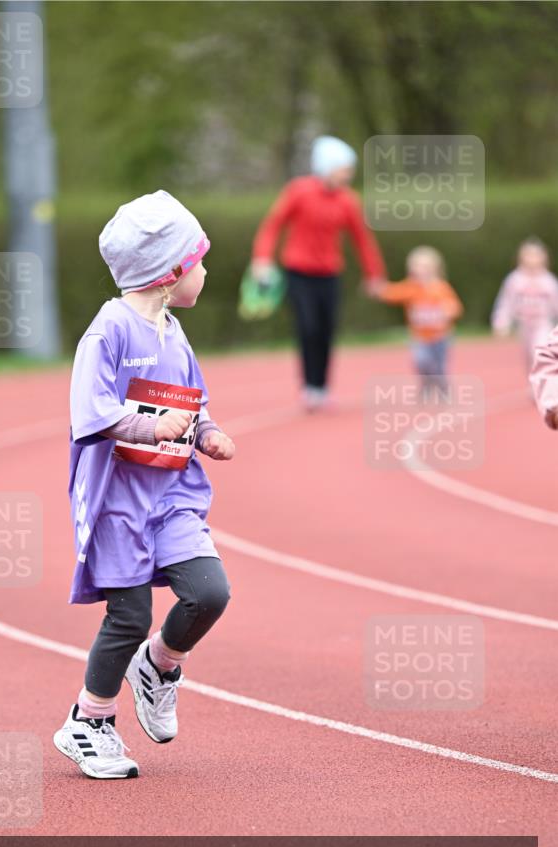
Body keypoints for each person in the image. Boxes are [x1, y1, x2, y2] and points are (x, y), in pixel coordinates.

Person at [55, 191, 235, 780]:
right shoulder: (108, 331)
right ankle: (89, 722)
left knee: (209, 592)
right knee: (128, 616)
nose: (206, 272)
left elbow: (192, 396)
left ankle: (160, 665)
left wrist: (205, 430)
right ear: (172, 273)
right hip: (118, 502)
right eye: (200, 261)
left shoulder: (173, 331)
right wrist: (150, 427)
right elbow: (91, 411)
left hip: (173, 495)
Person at [250, 135, 385, 411]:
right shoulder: (298, 191)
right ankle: (309, 386)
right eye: (344, 169)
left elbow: (362, 239)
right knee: (308, 327)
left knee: (326, 330)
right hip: (299, 272)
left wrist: (374, 274)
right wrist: (262, 260)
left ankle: (322, 387)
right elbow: (272, 226)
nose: (348, 176)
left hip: (330, 275)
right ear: (327, 166)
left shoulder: (349, 201)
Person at [369, 246, 463, 398]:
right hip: (420, 337)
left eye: (424, 266)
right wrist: (379, 290)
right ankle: (426, 384)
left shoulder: (441, 287)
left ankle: (442, 388)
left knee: (439, 367)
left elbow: (455, 306)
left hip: (440, 337)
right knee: (421, 361)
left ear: (435, 269)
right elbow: (393, 293)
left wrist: (449, 310)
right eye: (416, 266)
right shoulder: (410, 287)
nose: (419, 270)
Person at [491, 237, 558, 369]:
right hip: (523, 326)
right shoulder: (514, 280)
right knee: (529, 359)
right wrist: (501, 322)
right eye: (529, 255)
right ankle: (534, 385)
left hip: (543, 324)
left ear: (544, 258)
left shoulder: (549, 281)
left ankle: (544, 386)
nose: (532, 259)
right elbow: (505, 303)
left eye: (536, 255)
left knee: (539, 353)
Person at [530, 325, 558, 430]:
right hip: (527, 321)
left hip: (542, 322)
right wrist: (553, 402)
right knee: (528, 355)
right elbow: (549, 354)